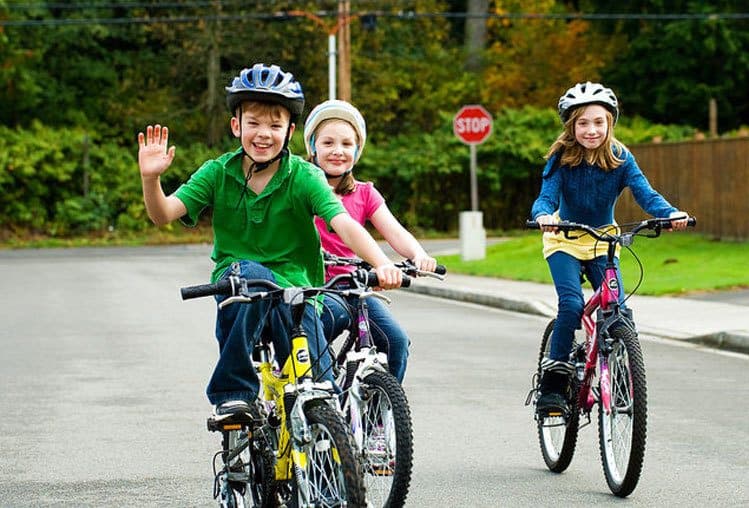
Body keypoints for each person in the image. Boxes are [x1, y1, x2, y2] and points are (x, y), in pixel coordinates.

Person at [137, 63, 403, 416]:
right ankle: (234, 393)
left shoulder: (305, 175)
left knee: (320, 391)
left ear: (290, 131)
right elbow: (163, 213)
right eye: (254, 123)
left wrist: (381, 263)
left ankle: (328, 450)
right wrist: (150, 180)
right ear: (237, 126)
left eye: (275, 125)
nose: (264, 134)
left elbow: (344, 224)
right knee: (249, 275)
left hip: (298, 291)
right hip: (242, 285)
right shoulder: (216, 173)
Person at [530, 81, 689, 414]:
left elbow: (645, 194)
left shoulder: (621, 158)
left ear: (610, 123)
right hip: (565, 240)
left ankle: (618, 381)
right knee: (572, 305)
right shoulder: (562, 158)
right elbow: (546, 197)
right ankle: (553, 386)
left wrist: (670, 213)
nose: (591, 130)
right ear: (571, 126)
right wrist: (544, 215)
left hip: (604, 240)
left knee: (619, 311)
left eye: (599, 122)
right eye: (583, 123)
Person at [302, 99, 437, 383]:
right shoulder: (301, 187)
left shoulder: (365, 193)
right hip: (313, 287)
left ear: (357, 151)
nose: (338, 151)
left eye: (347, 144)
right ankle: (321, 406)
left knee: (395, 342)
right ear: (312, 147)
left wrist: (419, 254)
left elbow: (396, 232)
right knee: (310, 341)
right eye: (328, 143)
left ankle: (380, 415)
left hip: (354, 285)